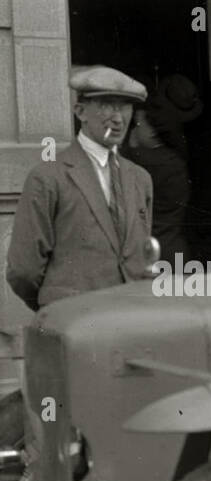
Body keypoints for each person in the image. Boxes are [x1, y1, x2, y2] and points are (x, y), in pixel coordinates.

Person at [6, 66, 154, 311]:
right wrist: (55, 306)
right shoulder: (48, 177)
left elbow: (139, 256)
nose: (118, 118)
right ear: (80, 112)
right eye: (107, 105)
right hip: (75, 323)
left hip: (130, 323)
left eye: (125, 106)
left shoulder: (140, 179)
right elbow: (23, 271)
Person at [122, 106, 190, 263]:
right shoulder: (174, 159)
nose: (133, 129)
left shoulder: (143, 159)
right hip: (174, 246)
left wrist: (131, 145)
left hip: (150, 252)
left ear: (153, 132)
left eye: (138, 125)